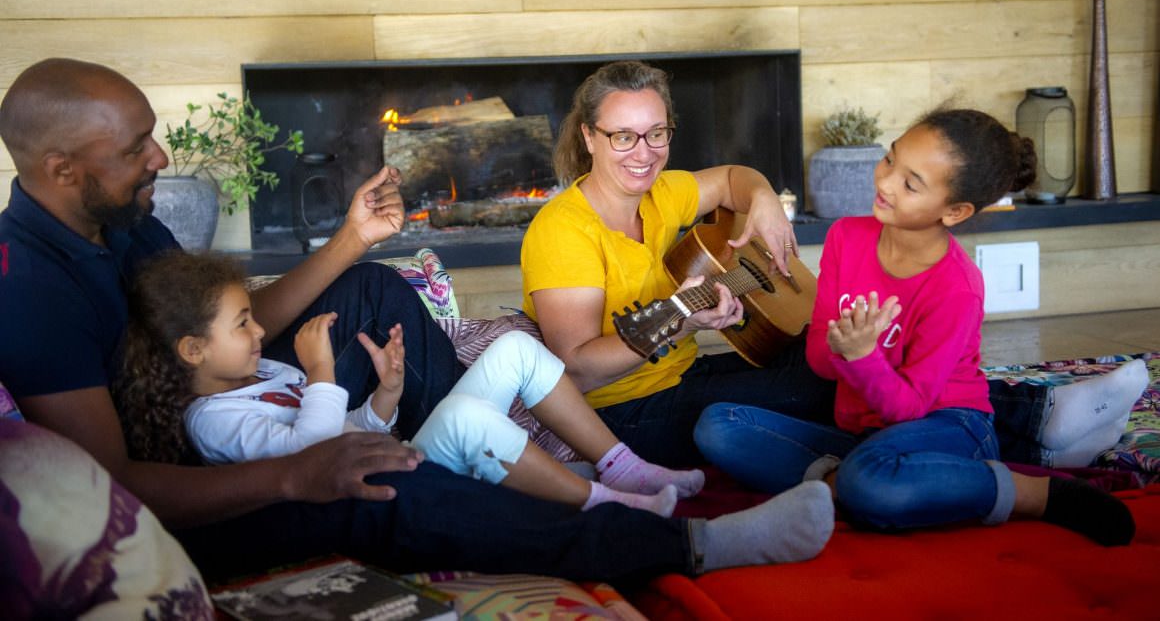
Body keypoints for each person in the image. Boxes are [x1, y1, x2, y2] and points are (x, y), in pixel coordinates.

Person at [0, 57, 835, 584]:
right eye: (138, 145)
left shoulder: (120, 221)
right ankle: (682, 546)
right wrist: (296, 475)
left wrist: (350, 239)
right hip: (213, 480)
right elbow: (117, 487)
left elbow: (237, 322)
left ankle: (469, 448)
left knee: (371, 288)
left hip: (249, 399)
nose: (162, 158)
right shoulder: (30, 288)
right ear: (60, 167)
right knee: (380, 481)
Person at [521, 60, 1145, 469]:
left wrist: (763, 203)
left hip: (685, 373)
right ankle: (1035, 426)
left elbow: (736, 179)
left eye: (657, 132)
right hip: (626, 414)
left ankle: (1033, 415)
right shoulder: (563, 231)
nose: (645, 152)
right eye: (624, 136)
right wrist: (684, 320)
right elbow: (577, 372)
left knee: (815, 346)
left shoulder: (664, 190)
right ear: (589, 138)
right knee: (834, 374)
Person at [694, 109, 1142, 546]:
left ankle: (1033, 494)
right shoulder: (846, 237)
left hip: (949, 426)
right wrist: (842, 346)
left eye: (911, 183)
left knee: (869, 477)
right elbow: (818, 362)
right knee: (718, 425)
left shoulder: (957, 286)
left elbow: (906, 409)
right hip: (862, 437)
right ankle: (849, 486)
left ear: (954, 211)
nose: (886, 182)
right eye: (891, 159)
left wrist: (863, 356)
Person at [117, 249, 705, 516]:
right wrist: (322, 373)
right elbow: (313, 458)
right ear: (192, 350)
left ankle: (623, 465)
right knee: (475, 420)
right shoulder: (213, 421)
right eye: (243, 323)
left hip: (395, 448)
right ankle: (610, 505)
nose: (260, 329)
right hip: (390, 489)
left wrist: (385, 395)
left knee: (516, 349)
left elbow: (349, 429)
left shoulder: (262, 371)